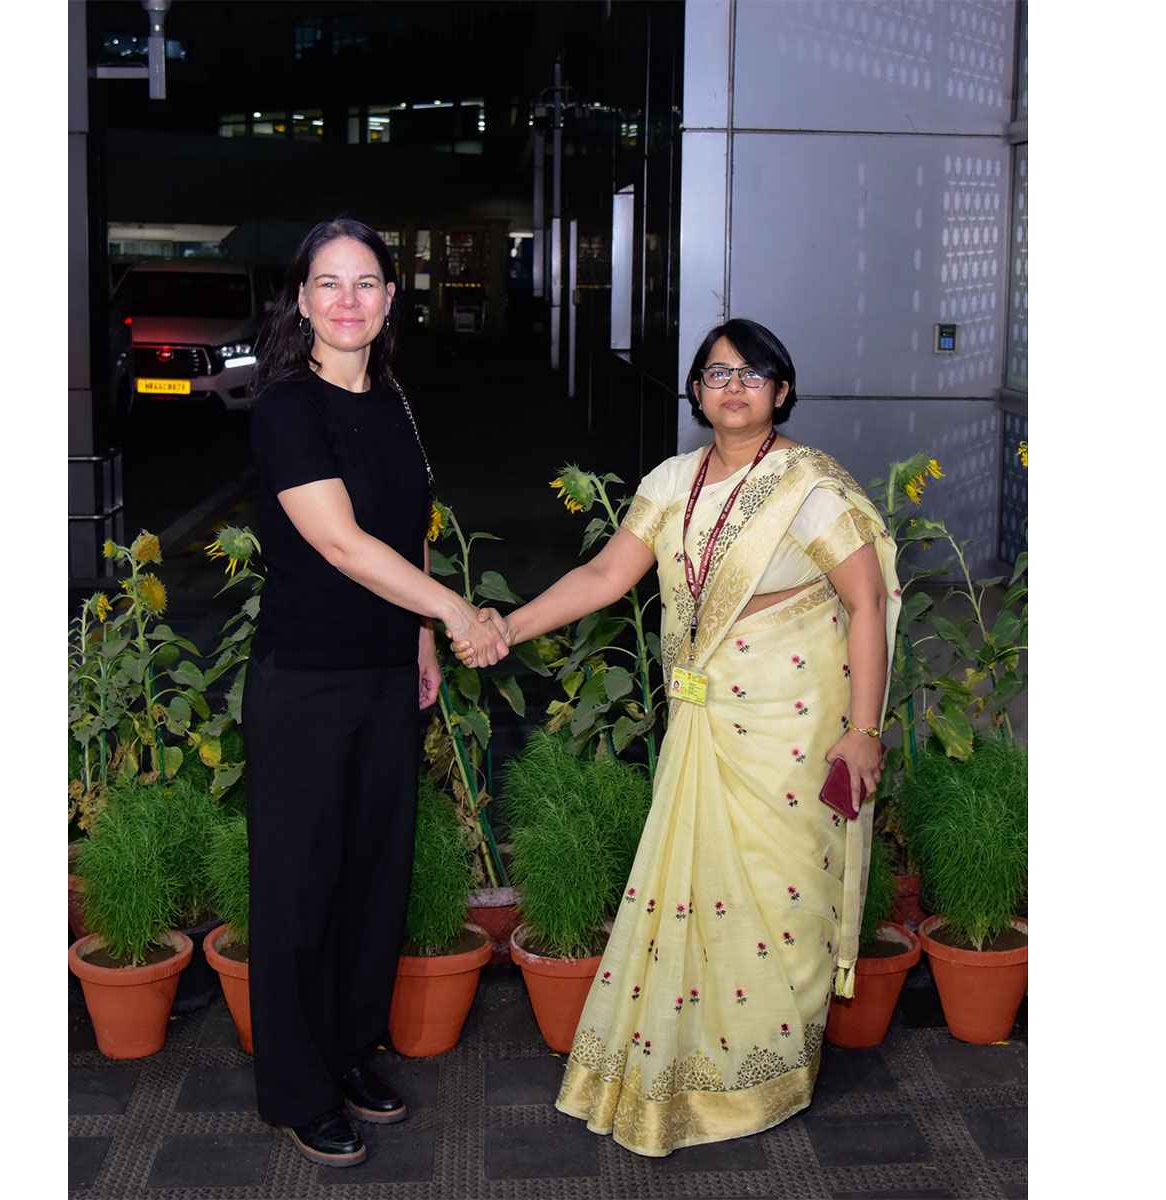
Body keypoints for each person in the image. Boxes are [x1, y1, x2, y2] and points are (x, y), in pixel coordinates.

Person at [455, 318, 901, 1157]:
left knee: (777, 891)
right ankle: (686, 1057)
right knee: (698, 890)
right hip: (702, 717)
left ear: (782, 391)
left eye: (752, 374)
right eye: (717, 373)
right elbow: (603, 575)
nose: (734, 387)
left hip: (790, 722)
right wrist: (505, 627)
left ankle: (766, 1071)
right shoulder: (669, 481)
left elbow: (867, 603)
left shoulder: (811, 490)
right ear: (696, 391)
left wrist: (864, 730)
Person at [242, 217, 509, 1168]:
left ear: (391, 299)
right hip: (305, 684)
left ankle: (351, 1052)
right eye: (329, 283)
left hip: (385, 674)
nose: (347, 300)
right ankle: (297, 1087)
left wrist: (422, 638)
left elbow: (408, 530)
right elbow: (344, 543)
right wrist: (460, 613)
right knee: (300, 887)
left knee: (372, 877)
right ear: (302, 300)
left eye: (366, 283)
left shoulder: (392, 401)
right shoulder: (286, 408)